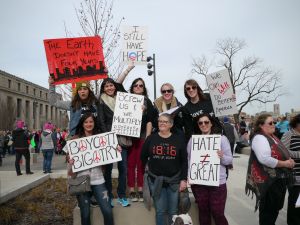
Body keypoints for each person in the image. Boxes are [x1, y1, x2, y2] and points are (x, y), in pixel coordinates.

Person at [245, 114, 295, 225]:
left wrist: (289, 160)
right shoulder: (260, 138)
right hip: (269, 181)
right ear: (261, 125)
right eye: (270, 123)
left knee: (274, 209)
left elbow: (280, 153)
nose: (274, 125)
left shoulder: (272, 136)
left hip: (277, 180)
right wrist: (285, 164)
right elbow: (264, 158)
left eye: (274, 122)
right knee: (268, 212)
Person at [98, 63, 135, 207]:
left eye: (111, 85)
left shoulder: (122, 98)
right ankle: (107, 195)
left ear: (115, 87)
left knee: (123, 169)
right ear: (103, 88)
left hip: (124, 138)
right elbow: (101, 121)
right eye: (106, 86)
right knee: (107, 170)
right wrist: (112, 140)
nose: (109, 88)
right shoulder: (100, 100)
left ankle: (121, 195)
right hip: (109, 139)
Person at [67, 113, 114, 225]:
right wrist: (70, 159)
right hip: (81, 180)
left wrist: (115, 148)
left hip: (98, 180)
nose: (89, 124)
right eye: (86, 122)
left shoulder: (101, 137)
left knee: (107, 211)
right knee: (85, 213)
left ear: (94, 123)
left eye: (91, 122)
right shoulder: (76, 138)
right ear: (82, 124)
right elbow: (69, 155)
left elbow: (109, 151)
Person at [141, 113, 188, 225]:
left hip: (174, 181)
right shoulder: (151, 138)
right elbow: (143, 156)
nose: (161, 123)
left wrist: (183, 180)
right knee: (160, 211)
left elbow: (184, 161)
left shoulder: (179, 140)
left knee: (173, 211)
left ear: (171, 124)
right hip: (156, 181)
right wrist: (148, 168)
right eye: (160, 121)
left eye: (165, 121)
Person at [187, 113, 233, 225]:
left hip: (218, 183)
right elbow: (190, 160)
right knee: (203, 212)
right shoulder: (193, 141)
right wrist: (189, 177)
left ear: (211, 123)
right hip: (199, 183)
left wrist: (222, 156)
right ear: (198, 125)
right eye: (200, 123)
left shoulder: (221, 139)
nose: (204, 124)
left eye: (206, 122)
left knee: (218, 213)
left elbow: (229, 160)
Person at [127, 78, 156, 202]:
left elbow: (150, 120)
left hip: (143, 136)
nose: (138, 87)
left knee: (141, 164)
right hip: (128, 136)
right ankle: (131, 190)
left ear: (144, 88)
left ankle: (139, 188)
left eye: (141, 85)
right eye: (136, 85)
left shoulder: (147, 101)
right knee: (130, 164)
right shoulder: (126, 100)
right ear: (132, 87)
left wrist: (148, 137)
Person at [281, 114, 300, 225]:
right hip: (294, 175)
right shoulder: (289, 134)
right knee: (294, 202)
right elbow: (283, 151)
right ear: (297, 123)